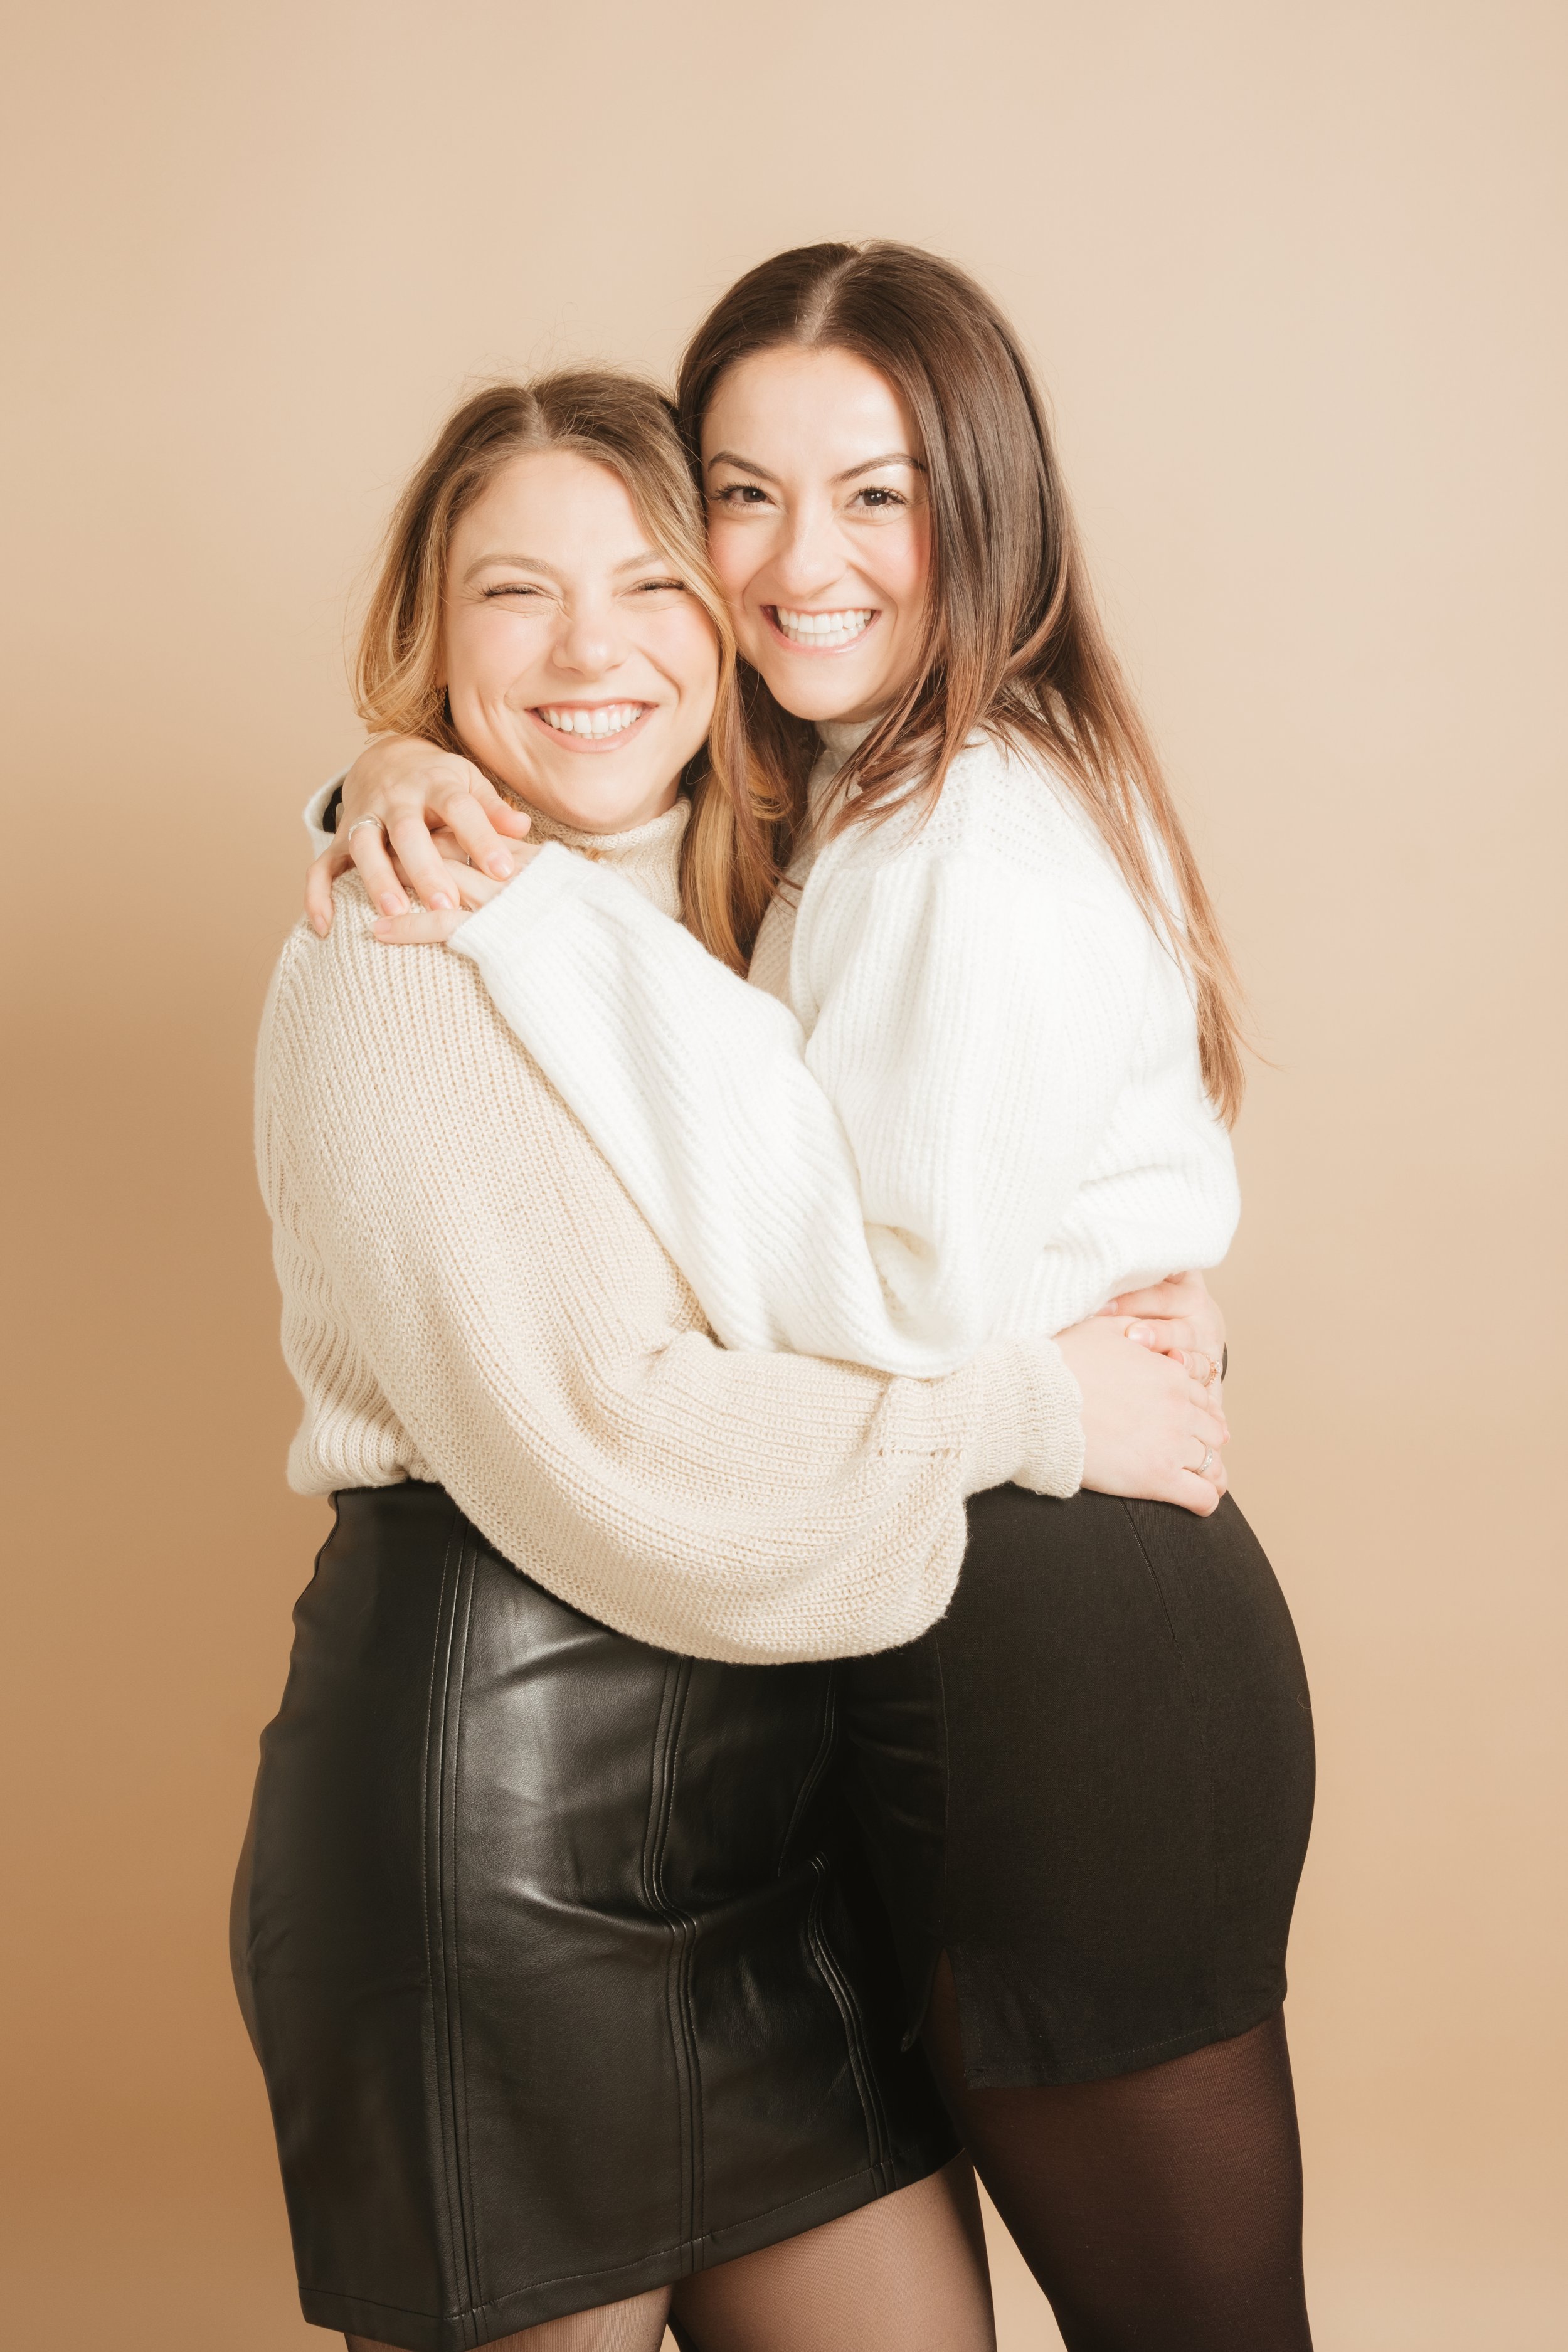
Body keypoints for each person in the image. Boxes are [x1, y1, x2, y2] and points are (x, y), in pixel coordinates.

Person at [319, 244, 1316, 2351]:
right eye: (743, 500)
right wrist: (382, 785)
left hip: (1038, 1653)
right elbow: (608, 986)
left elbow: (861, 1312)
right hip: (827, 1660)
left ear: (987, 502)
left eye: (874, 494)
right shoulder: (800, 824)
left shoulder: (950, 835)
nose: (797, 564)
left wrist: (1044, 1389)